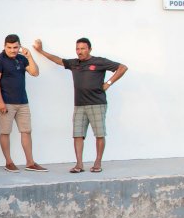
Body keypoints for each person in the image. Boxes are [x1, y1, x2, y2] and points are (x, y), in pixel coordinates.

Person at [33, 37, 128, 173]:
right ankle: (79, 164)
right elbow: (58, 60)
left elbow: (122, 68)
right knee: (78, 135)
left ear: (89, 49)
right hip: (79, 105)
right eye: (77, 49)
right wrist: (41, 51)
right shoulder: (74, 63)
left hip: (97, 104)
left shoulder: (99, 61)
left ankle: (97, 162)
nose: (80, 51)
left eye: (83, 48)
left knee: (99, 134)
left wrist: (108, 83)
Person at [0, 34, 47, 173]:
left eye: (15, 47)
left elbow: (35, 73)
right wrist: (0, 101)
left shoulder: (22, 58)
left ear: (19, 46)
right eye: (9, 47)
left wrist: (29, 56)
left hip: (23, 102)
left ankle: (30, 163)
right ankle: (9, 162)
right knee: (5, 132)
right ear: (4, 46)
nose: (12, 50)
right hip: (6, 103)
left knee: (26, 132)